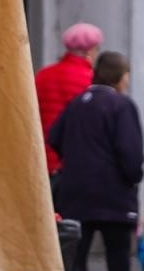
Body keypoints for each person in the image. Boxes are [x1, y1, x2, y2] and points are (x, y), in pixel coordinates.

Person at [48, 51, 144, 271]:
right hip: (115, 197)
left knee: (75, 266)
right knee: (118, 266)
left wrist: (77, 162)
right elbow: (130, 155)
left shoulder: (76, 103)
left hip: (75, 196)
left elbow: (54, 137)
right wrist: (133, 178)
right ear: (121, 77)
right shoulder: (122, 105)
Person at [36, 23, 104, 184]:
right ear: (89, 51)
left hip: (42, 160)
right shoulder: (89, 80)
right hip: (73, 164)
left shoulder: (43, 75)